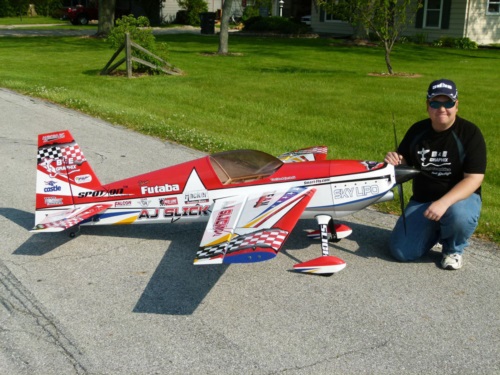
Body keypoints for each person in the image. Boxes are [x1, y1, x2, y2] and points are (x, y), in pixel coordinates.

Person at [384, 79, 487, 270]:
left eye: (448, 103)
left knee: (459, 215)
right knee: (401, 252)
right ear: (427, 106)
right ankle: (436, 230)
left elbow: (474, 179)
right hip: (423, 200)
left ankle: (452, 248)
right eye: (435, 103)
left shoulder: (470, 133)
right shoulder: (418, 130)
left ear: (456, 105)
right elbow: (404, 162)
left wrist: (444, 203)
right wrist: (395, 160)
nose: (442, 109)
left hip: (459, 201)